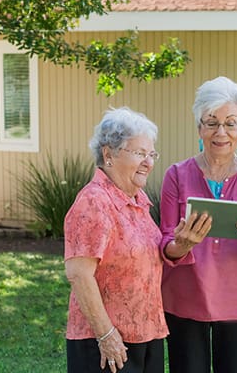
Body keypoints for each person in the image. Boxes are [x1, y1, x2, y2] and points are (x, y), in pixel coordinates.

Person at [160, 76, 237, 373]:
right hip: (185, 298)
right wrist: (181, 245)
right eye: (211, 122)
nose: (220, 132)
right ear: (199, 127)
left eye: (230, 123)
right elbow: (164, 243)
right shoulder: (176, 175)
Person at [64, 107, 167, 373]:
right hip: (106, 342)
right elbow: (79, 275)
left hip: (146, 335)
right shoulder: (94, 202)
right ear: (108, 154)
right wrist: (106, 335)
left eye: (151, 154)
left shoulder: (138, 201)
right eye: (140, 153)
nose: (149, 162)